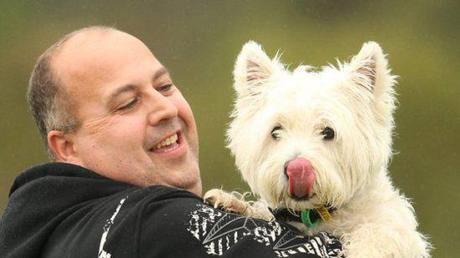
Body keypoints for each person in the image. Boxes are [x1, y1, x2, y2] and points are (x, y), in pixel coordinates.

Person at [0, 26, 342, 258]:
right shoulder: (154, 224)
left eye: (164, 86)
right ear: (67, 147)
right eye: (127, 103)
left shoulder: (40, 235)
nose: (164, 108)